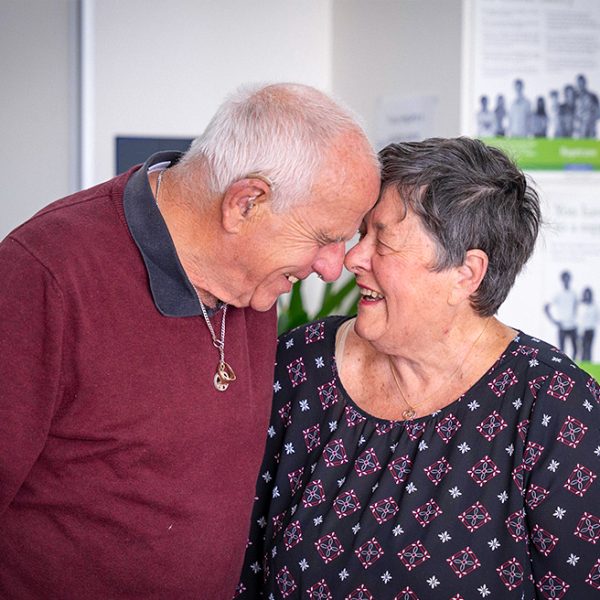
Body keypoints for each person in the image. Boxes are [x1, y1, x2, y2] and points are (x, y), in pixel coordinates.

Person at [0, 82, 380, 599]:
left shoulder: (252, 281)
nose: (333, 267)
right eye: (324, 238)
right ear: (245, 203)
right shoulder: (44, 272)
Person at [237, 137, 600, 598]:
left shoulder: (556, 406)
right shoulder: (300, 366)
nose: (353, 258)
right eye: (361, 232)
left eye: (382, 241)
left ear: (466, 274)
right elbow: (237, 567)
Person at [545, 270, 578, 359]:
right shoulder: (558, 294)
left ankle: (574, 368)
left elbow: (577, 307)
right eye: (565, 279)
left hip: (573, 325)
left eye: (568, 278)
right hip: (562, 326)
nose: (566, 281)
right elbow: (546, 307)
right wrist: (554, 321)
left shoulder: (574, 293)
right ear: (562, 280)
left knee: (575, 349)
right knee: (562, 350)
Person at [578, 287, 598, 362]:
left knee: (589, 348)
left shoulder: (594, 305)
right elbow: (579, 319)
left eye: (589, 294)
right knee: (583, 348)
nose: (587, 296)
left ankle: (589, 363)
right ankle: (583, 363)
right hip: (583, 330)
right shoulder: (581, 306)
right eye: (586, 294)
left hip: (591, 329)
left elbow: (597, 317)